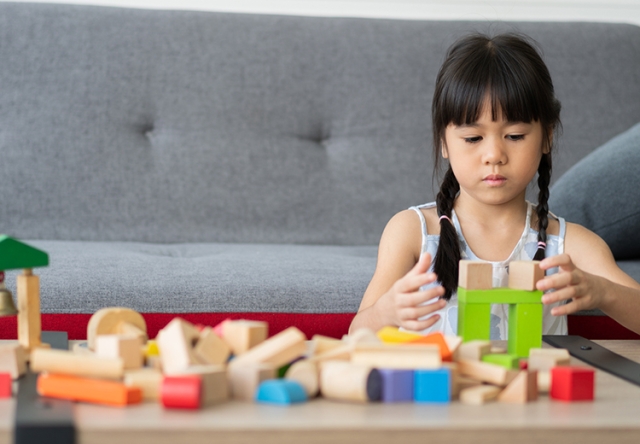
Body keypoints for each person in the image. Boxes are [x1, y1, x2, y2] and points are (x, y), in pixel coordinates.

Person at [349, 33, 640, 338]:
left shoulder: (570, 245)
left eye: (514, 136)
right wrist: (386, 311)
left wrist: (604, 292)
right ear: (443, 143)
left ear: (547, 137)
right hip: (447, 386)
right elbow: (356, 333)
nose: (494, 156)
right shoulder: (413, 231)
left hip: (531, 385)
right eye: (473, 138)